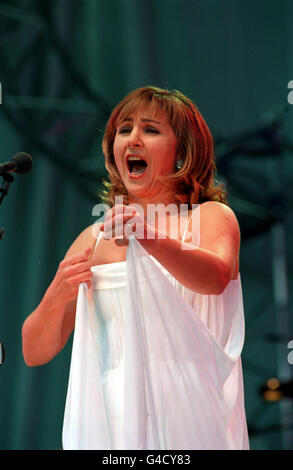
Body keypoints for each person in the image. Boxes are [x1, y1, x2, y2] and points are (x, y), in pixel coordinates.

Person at [22, 86, 249, 450]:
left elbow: (215, 278)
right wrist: (56, 295)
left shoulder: (210, 217)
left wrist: (148, 236)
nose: (133, 139)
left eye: (151, 130)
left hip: (188, 420)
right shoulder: (93, 239)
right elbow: (35, 352)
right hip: (110, 424)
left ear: (183, 153)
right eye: (124, 130)